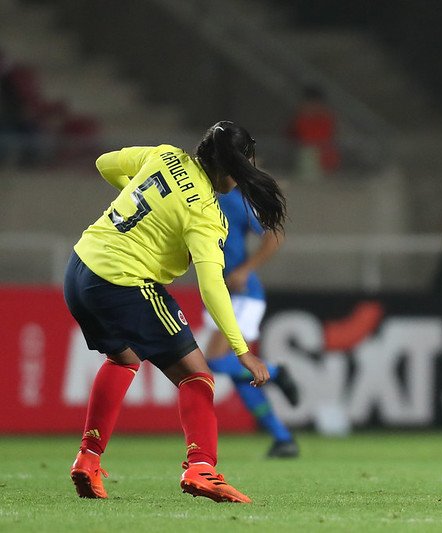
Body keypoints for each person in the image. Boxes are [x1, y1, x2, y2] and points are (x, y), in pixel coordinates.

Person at [63, 120, 286, 503]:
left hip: (81, 267)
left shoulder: (165, 155)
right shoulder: (204, 211)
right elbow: (212, 285)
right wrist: (242, 349)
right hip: (123, 280)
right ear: (230, 167)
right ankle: (202, 468)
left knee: (123, 359)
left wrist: (151, 212)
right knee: (197, 375)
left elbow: (105, 163)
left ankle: (88, 459)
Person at [203, 187, 300, 458]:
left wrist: (245, 270)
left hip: (242, 295)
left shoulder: (234, 201)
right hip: (220, 294)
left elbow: (274, 235)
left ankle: (276, 372)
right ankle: (283, 439)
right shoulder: (198, 197)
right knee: (240, 377)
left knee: (214, 360)